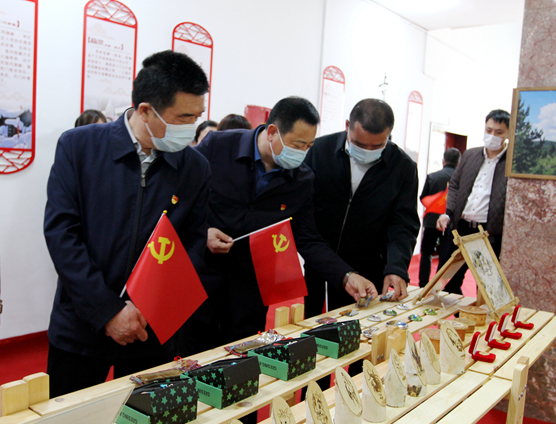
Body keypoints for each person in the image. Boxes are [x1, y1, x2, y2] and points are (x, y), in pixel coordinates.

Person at [44, 50, 211, 398]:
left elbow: (194, 243)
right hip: (81, 327)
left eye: (197, 116)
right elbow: (62, 235)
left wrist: (152, 305)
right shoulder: (79, 147)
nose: (191, 127)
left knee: (145, 418)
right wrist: (107, 311)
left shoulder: (195, 167)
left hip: (152, 330)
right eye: (184, 118)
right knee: (71, 418)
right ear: (145, 110)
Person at [179, 96, 377, 357]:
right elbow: (181, 196)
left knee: (237, 363)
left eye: (309, 146)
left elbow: (308, 238)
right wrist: (203, 230)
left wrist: (347, 275)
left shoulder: (302, 179)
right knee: (187, 360)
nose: (302, 153)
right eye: (297, 144)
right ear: (272, 132)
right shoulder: (219, 146)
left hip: (250, 290)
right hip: (199, 280)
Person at [303, 98, 420, 318]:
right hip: (320, 259)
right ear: (348, 125)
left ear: (389, 135)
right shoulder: (319, 150)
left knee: (356, 326)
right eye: (359, 144)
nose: (367, 151)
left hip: (367, 268)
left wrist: (396, 266)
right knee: (310, 322)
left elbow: (403, 224)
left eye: (376, 146)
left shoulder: (402, 167)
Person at [436, 109, 510, 294]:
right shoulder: (470, 155)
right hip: (460, 227)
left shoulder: (512, 162)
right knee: (446, 282)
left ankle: (481, 314)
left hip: (488, 233)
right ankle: (458, 312)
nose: (492, 136)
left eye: (499, 132)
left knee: (488, 289)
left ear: (508, 133)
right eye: (489, 130)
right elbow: (454, 185)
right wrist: (448, 213)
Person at [418, 148, 461, 288]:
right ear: (458, 163)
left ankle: (423, 284)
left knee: (426, 252)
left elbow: (423, 198)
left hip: (431, 220)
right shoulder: (460, 179)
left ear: (443, 161)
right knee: (445, 255)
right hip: (451, 222)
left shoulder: (432, 177)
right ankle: (439, 285)